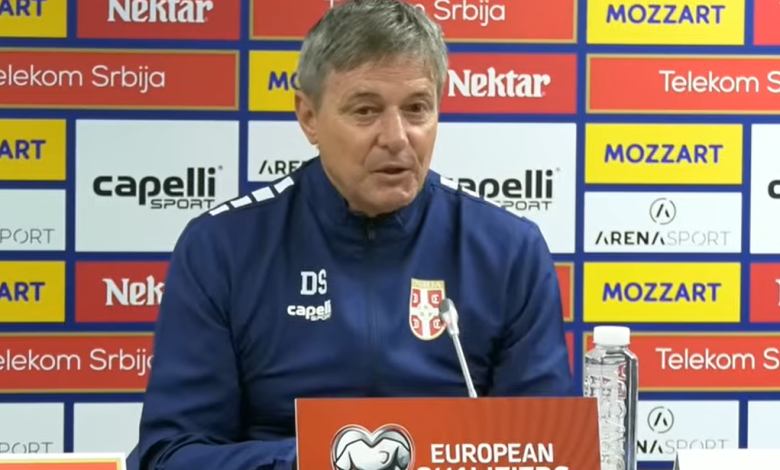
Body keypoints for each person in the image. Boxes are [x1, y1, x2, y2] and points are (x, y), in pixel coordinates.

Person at [136, 1, 573, 469]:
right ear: (308, 116)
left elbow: (550, 451)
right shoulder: (221, 247)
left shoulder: (509, 251)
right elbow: (171, 456)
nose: (397, 137)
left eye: (417, 109)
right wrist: (319, 461)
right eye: (366, 110)